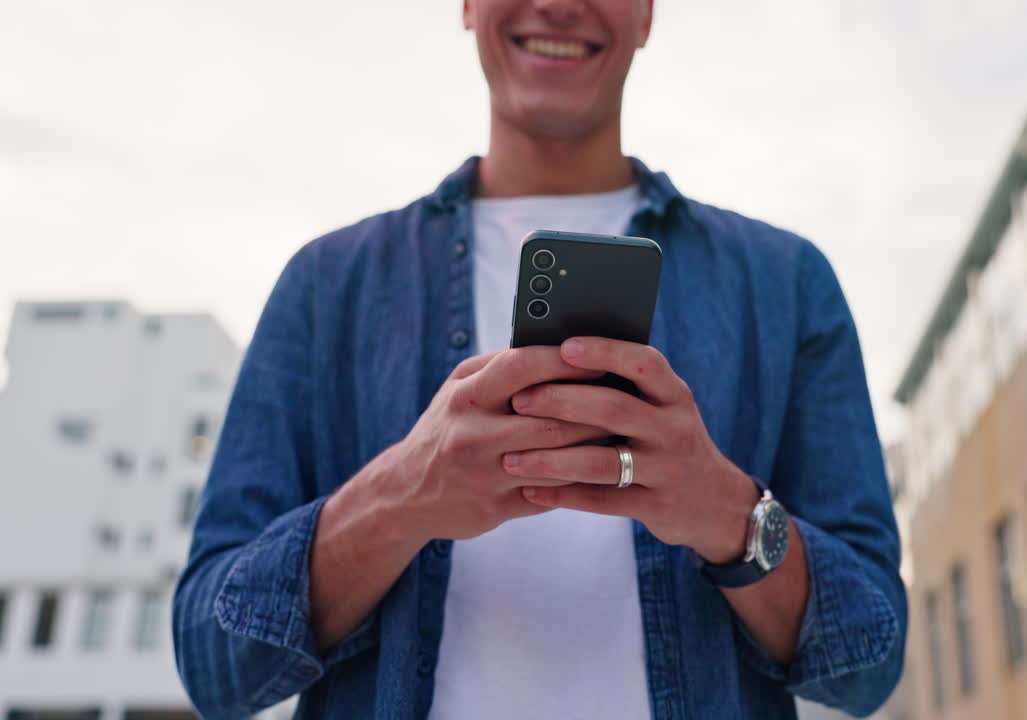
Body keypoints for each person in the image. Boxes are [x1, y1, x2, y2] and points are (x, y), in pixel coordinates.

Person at [172, 1, 906, 718]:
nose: (557, 6)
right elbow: (213, 664)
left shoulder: (785, 281)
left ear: (647, 12)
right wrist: (398, 500)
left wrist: (729, 515)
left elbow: (872, 664)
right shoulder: (327, 284)